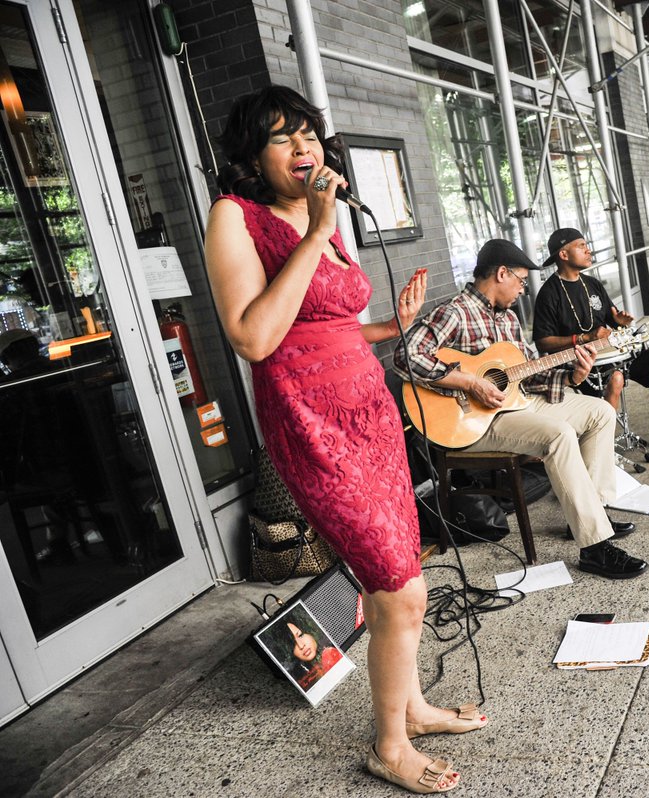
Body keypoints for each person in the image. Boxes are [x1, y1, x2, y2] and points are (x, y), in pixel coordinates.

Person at [206, 85, 481, 794]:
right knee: (399, 583)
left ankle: (411, 709)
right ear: (251, 155)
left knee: (402, 579)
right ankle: (390, 745)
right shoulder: (236, 218)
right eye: (281, 138)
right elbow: (256, 335)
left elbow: (319, 322)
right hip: (312, 422)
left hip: (371, 415)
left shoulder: (316, 215)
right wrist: (319, 233)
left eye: (308, 134)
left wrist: (389, 328)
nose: (304, 149)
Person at [394, 238, 649, 580]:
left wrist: (574, 373)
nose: (523, 289)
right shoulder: (455, 312)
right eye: (521, 280)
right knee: (557, 436)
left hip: (515, 406)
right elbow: (405, 357)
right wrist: (470, 383)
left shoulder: (510, 320)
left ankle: (593, 516)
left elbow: (528, 374)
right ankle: (595, 548)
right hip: (472, 422)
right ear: (501, 273)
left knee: (599, 412)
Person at [532, 228, 649, 449]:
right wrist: (585, 338)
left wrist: (619, 322)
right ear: (563, 255)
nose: (588, 250)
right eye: (581, 246)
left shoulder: (592, 284)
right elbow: (543, 342)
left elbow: (609, 321)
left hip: (613, 353)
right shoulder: (549, 293)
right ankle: (602, 449)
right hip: (581, 363)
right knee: (616, 379)